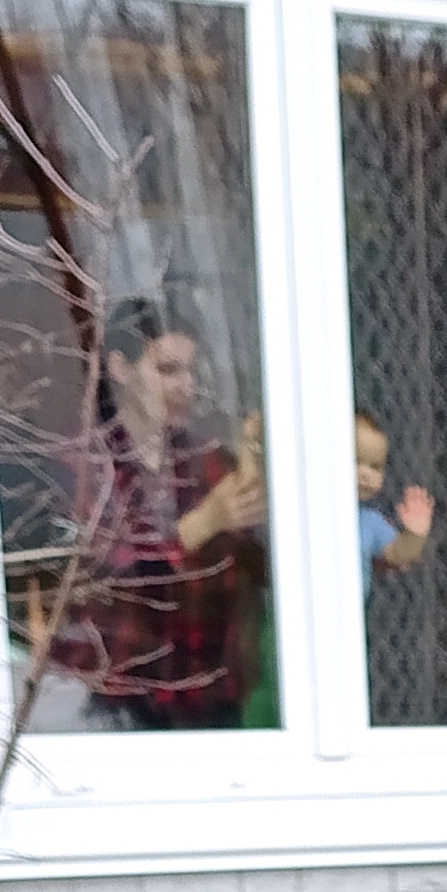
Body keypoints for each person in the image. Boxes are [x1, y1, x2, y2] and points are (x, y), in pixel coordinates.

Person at [47, 295, 271, 728]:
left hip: (209, 694)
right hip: (115, 699)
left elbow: (258, 576)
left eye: (191, 370)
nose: (185, 385)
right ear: (120, 368)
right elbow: (108, 573)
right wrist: (201, 525)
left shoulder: (208, 461)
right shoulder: (82, 463)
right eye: (167, 370)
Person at [354, 410, 435, 583]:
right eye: (355, 461)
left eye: (375, 467)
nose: (365, 474)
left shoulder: (369, 521)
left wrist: (415, 533)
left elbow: (397, 554)